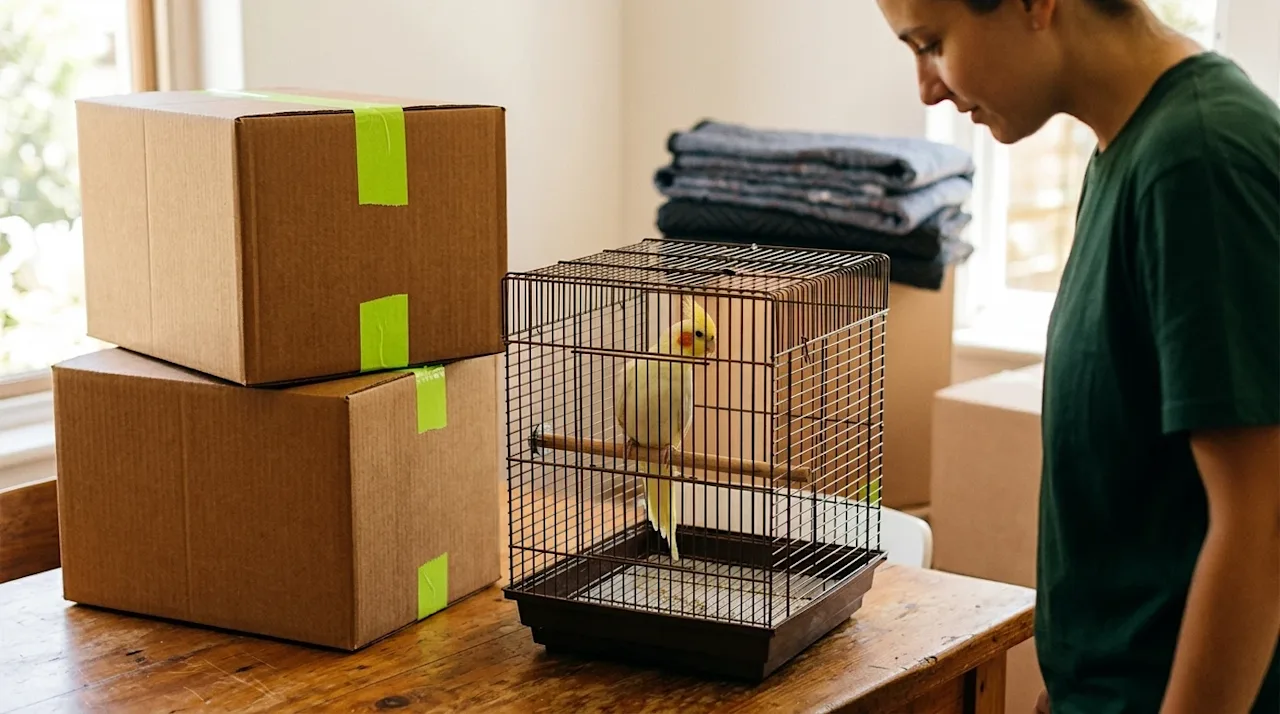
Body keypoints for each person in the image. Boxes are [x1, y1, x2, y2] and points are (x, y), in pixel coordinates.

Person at [874, 0, 1280, 712]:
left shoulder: (1201, 159)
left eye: (933, 43)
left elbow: (1265, 521)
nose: (927, 87)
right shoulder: (1127, 146)